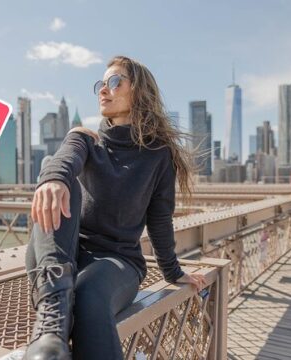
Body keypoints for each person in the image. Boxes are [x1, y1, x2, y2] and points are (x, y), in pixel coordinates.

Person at [24, 56, 208, 360]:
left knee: (87, 297)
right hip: (61, 254)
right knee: (56, 172)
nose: (103, 90)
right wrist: (53, 179)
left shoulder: (158, 156)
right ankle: (51, 334)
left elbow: (159, 221)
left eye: (114, 82)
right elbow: (62, 161)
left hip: (116, 261)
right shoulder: (85, 139)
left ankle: (50, 338)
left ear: (138, 91)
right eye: (100, 84)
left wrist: (174, 272)